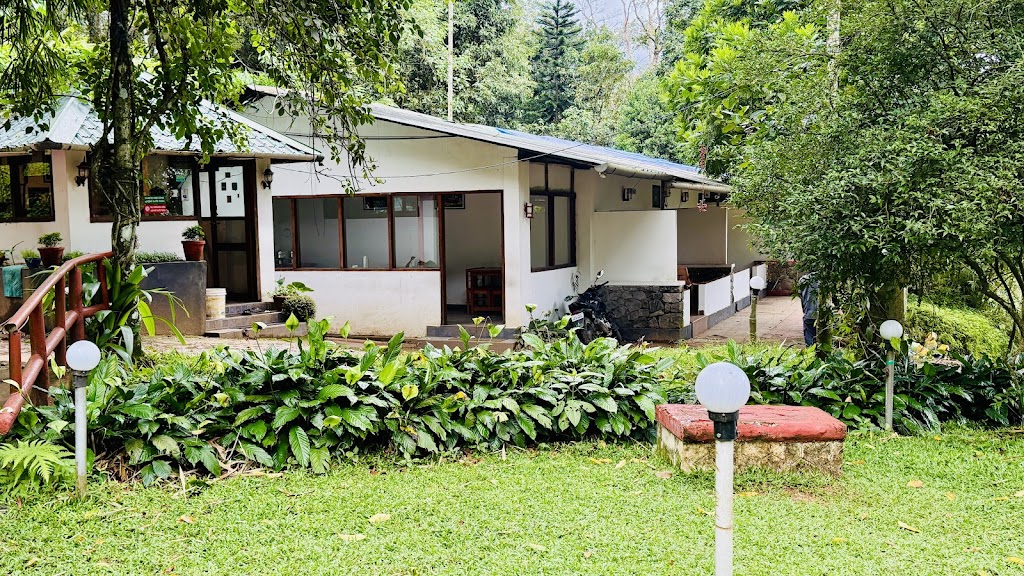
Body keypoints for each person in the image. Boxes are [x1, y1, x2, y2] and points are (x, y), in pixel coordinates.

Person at [799, 274, 818, 346]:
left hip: (809, 313)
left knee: (810, 343)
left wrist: (805, 310)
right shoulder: (826, 279)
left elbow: (801, 297)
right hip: (824, 315)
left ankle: (810, 354)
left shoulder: (803, 279)